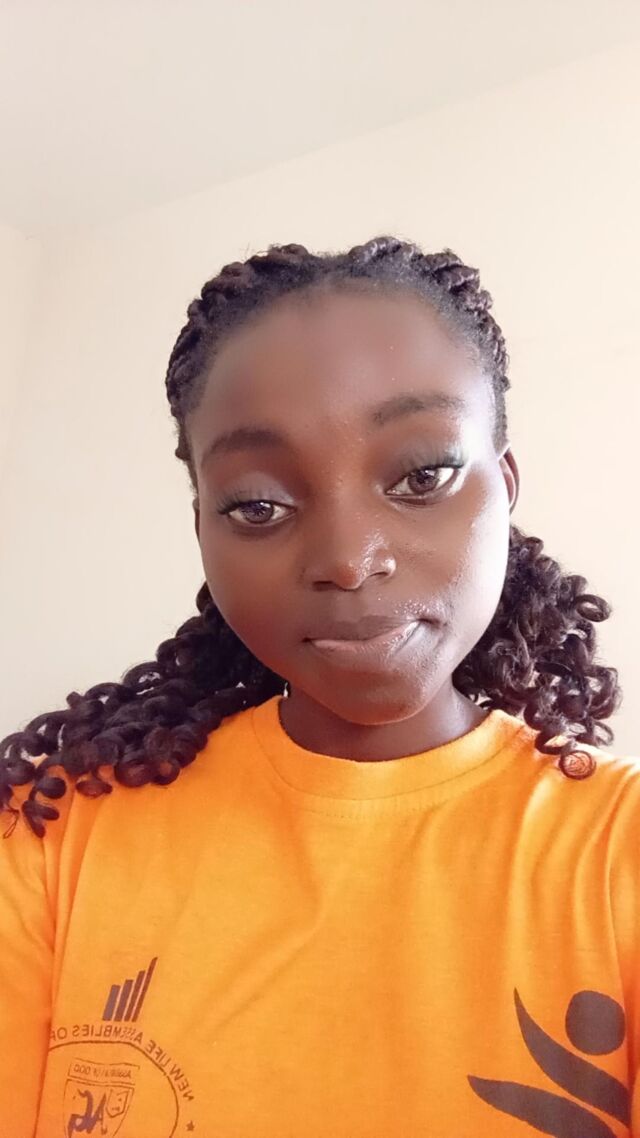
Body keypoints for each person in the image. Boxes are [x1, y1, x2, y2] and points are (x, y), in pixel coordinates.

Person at [0, 235, 635, 1138]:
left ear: (504, 488)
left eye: (422, 476)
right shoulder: (49, 839)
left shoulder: (617, 853)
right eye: (259, 505)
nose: (347, 558)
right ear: (204, 528)